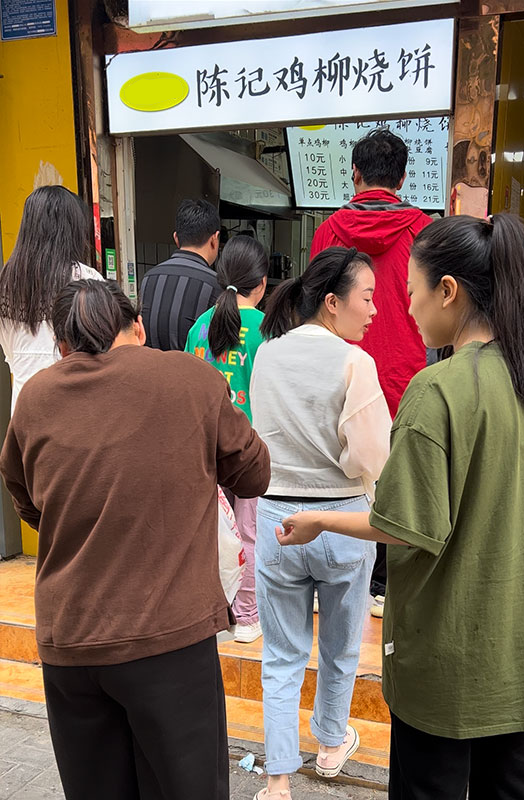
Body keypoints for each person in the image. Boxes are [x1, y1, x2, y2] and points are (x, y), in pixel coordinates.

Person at [276, 214, 524, 800]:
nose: (408, 307)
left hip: (448, 657)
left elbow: (406, 526)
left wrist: (318, 518)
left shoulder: (439, 388)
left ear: (448, 291)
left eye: (412, 291)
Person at [0, 279, 270, 800]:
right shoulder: (190, 378)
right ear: (139, 327)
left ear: (62, 346)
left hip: (70, 641)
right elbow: (254, 473)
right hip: (169, 639)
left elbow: (27, 500)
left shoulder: (34, 399)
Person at [249, 246, 391, 800]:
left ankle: (278, 779)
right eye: (367, 298)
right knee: (340, 645)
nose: (374, 310)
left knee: (281, 655)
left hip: (277, 516)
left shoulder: (267, 353)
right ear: (332, 302)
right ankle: (331, 745)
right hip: (341, 518)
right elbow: (371, 456)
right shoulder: (355, 363)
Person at [310, 129, 431, 618]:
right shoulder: (424, 232)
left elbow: (312, 309)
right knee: (395, 480)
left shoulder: (328, 232)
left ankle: (335, 573)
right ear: (401, 179)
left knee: (339, 472)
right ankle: (383, 583)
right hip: (405, 377)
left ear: (354, 174)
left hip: (338, 373)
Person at [185, 234, 268, 643]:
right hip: (247, 448)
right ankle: (248, 617)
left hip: (203, 447)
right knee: (249, 532)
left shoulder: (200, 326)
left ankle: (217, 613)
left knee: (211, 532)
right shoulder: (265, 329)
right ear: (262, 283)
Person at [0, 185, 103, 413]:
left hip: (24, 404)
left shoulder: (6, 282)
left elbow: (9, 352)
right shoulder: (87, 279)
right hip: (75, 402)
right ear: (73, 230)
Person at [140, 198, 220, 350]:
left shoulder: (148, 279)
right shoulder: (215, 285)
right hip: (194, 365)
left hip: (149, 365)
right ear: (214, 239)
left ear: (176, 238)